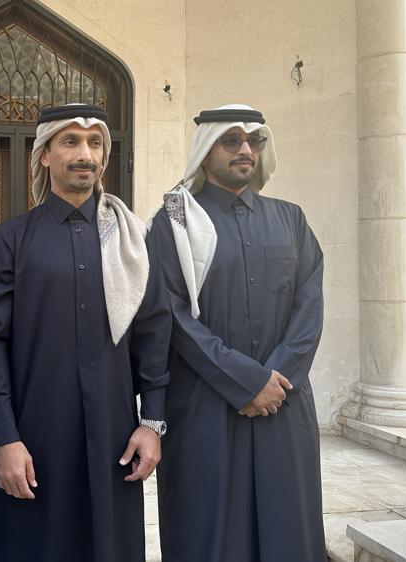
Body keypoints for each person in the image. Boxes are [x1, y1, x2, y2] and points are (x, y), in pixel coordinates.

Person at [0, 104, 171, 562]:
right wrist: (6, 438)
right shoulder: (10, 241)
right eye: (71, 142)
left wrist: (152, 424)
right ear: (44, 155)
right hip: (35, 439)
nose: (86, 154)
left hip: (116, 438)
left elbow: (154, 333)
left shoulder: (133, 243)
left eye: (95, 143)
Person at [150, 104, 325, 562]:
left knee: (288, 533)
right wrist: (247, 382)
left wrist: (274, 380)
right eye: (231, 140)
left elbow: (309, 309)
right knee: (208, 536)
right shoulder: (174, 223)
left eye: (254, 141)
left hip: (283, 404)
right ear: (206, 149)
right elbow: (172, 316)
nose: (245, 149)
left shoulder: (291, 219)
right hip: (204, 407)